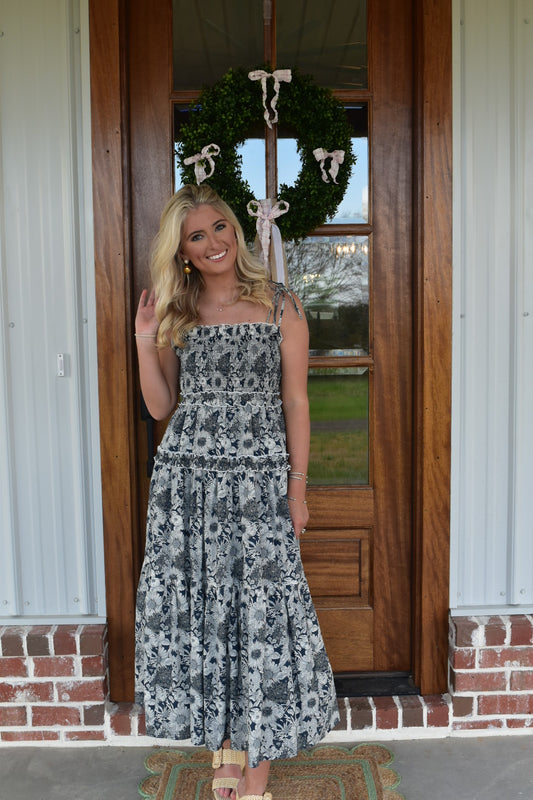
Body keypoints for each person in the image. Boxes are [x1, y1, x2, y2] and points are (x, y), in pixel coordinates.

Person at [134, 184, 339, 800]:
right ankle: (224, 747)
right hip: (188, 484)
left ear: (235, 230)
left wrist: (297, 491)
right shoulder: (178, 312)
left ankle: (256, 772)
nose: (213, 242)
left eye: (219, 227)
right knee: (204, 611)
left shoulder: (281, 305)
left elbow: (296, 402)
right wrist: (145, 338)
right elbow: (161, 407)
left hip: (259, 485)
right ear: (182, 252)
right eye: (196, 236)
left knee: (260, 615)